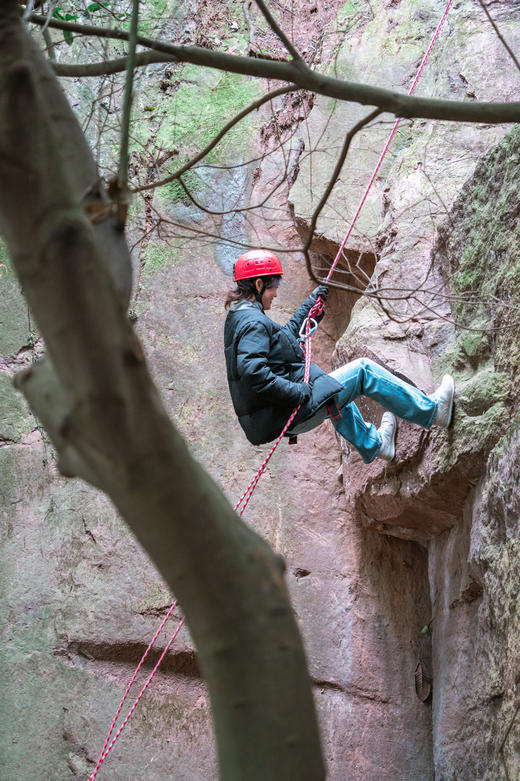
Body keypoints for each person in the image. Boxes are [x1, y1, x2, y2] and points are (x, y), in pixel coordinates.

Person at [224, 250, 454, 463]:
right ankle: (433, 411)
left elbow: (280, 342)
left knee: (332, 387)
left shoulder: (242, 318)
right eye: (273, 287)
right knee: (363, 371)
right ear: (258, 284)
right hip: (289, 411)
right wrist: (296, 392)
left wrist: (309, 307)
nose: (275, 293)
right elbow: (254, 373)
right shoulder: (252, 323)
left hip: (280, 415)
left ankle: (375, 445)